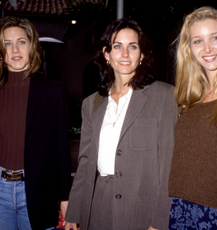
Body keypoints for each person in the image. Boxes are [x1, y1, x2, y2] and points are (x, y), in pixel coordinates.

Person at [65, 18, 177, 230]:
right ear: (107, 54)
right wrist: (74, 211)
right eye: (118, 46)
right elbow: (85, 162)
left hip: (141, 210)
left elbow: (170, 167)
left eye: (132, 46)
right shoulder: (92, 104)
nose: (125, 54)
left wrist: (159, 222)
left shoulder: (164, 96)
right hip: (98, 205)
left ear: (142, 55)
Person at [0, 16, 72, 230]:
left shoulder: (53, 91)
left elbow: (61, 150)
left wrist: (66, 199)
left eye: (21, 42)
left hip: (38, 191)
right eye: (7, 43)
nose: (15, 50)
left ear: (32, 46)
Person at [168, 6, 217, 229]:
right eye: (197, 41)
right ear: (189, 49)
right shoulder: (189, 99)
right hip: (182, 209)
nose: (207, 48)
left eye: (215, 37)